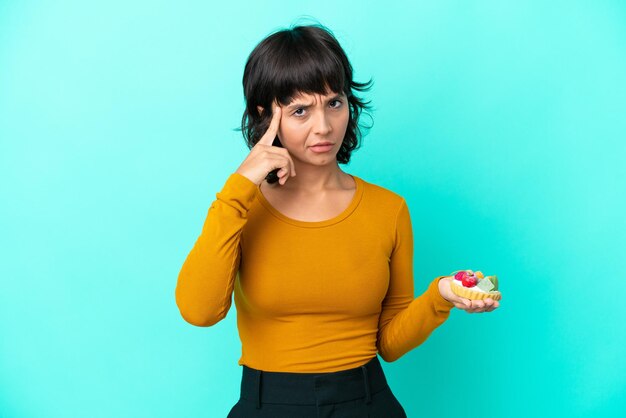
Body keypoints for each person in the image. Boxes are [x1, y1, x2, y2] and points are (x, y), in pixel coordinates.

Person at [175, 22, 500, 418]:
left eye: (334, 102)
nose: (324, 127)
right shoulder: (241, 208)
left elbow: (390, 344)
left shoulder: (388, 209)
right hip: (268, 404)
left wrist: (440, 296)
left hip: (366, 401)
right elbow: (199, 311)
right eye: (300, 111)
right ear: (265, 116)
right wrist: (240, 187)